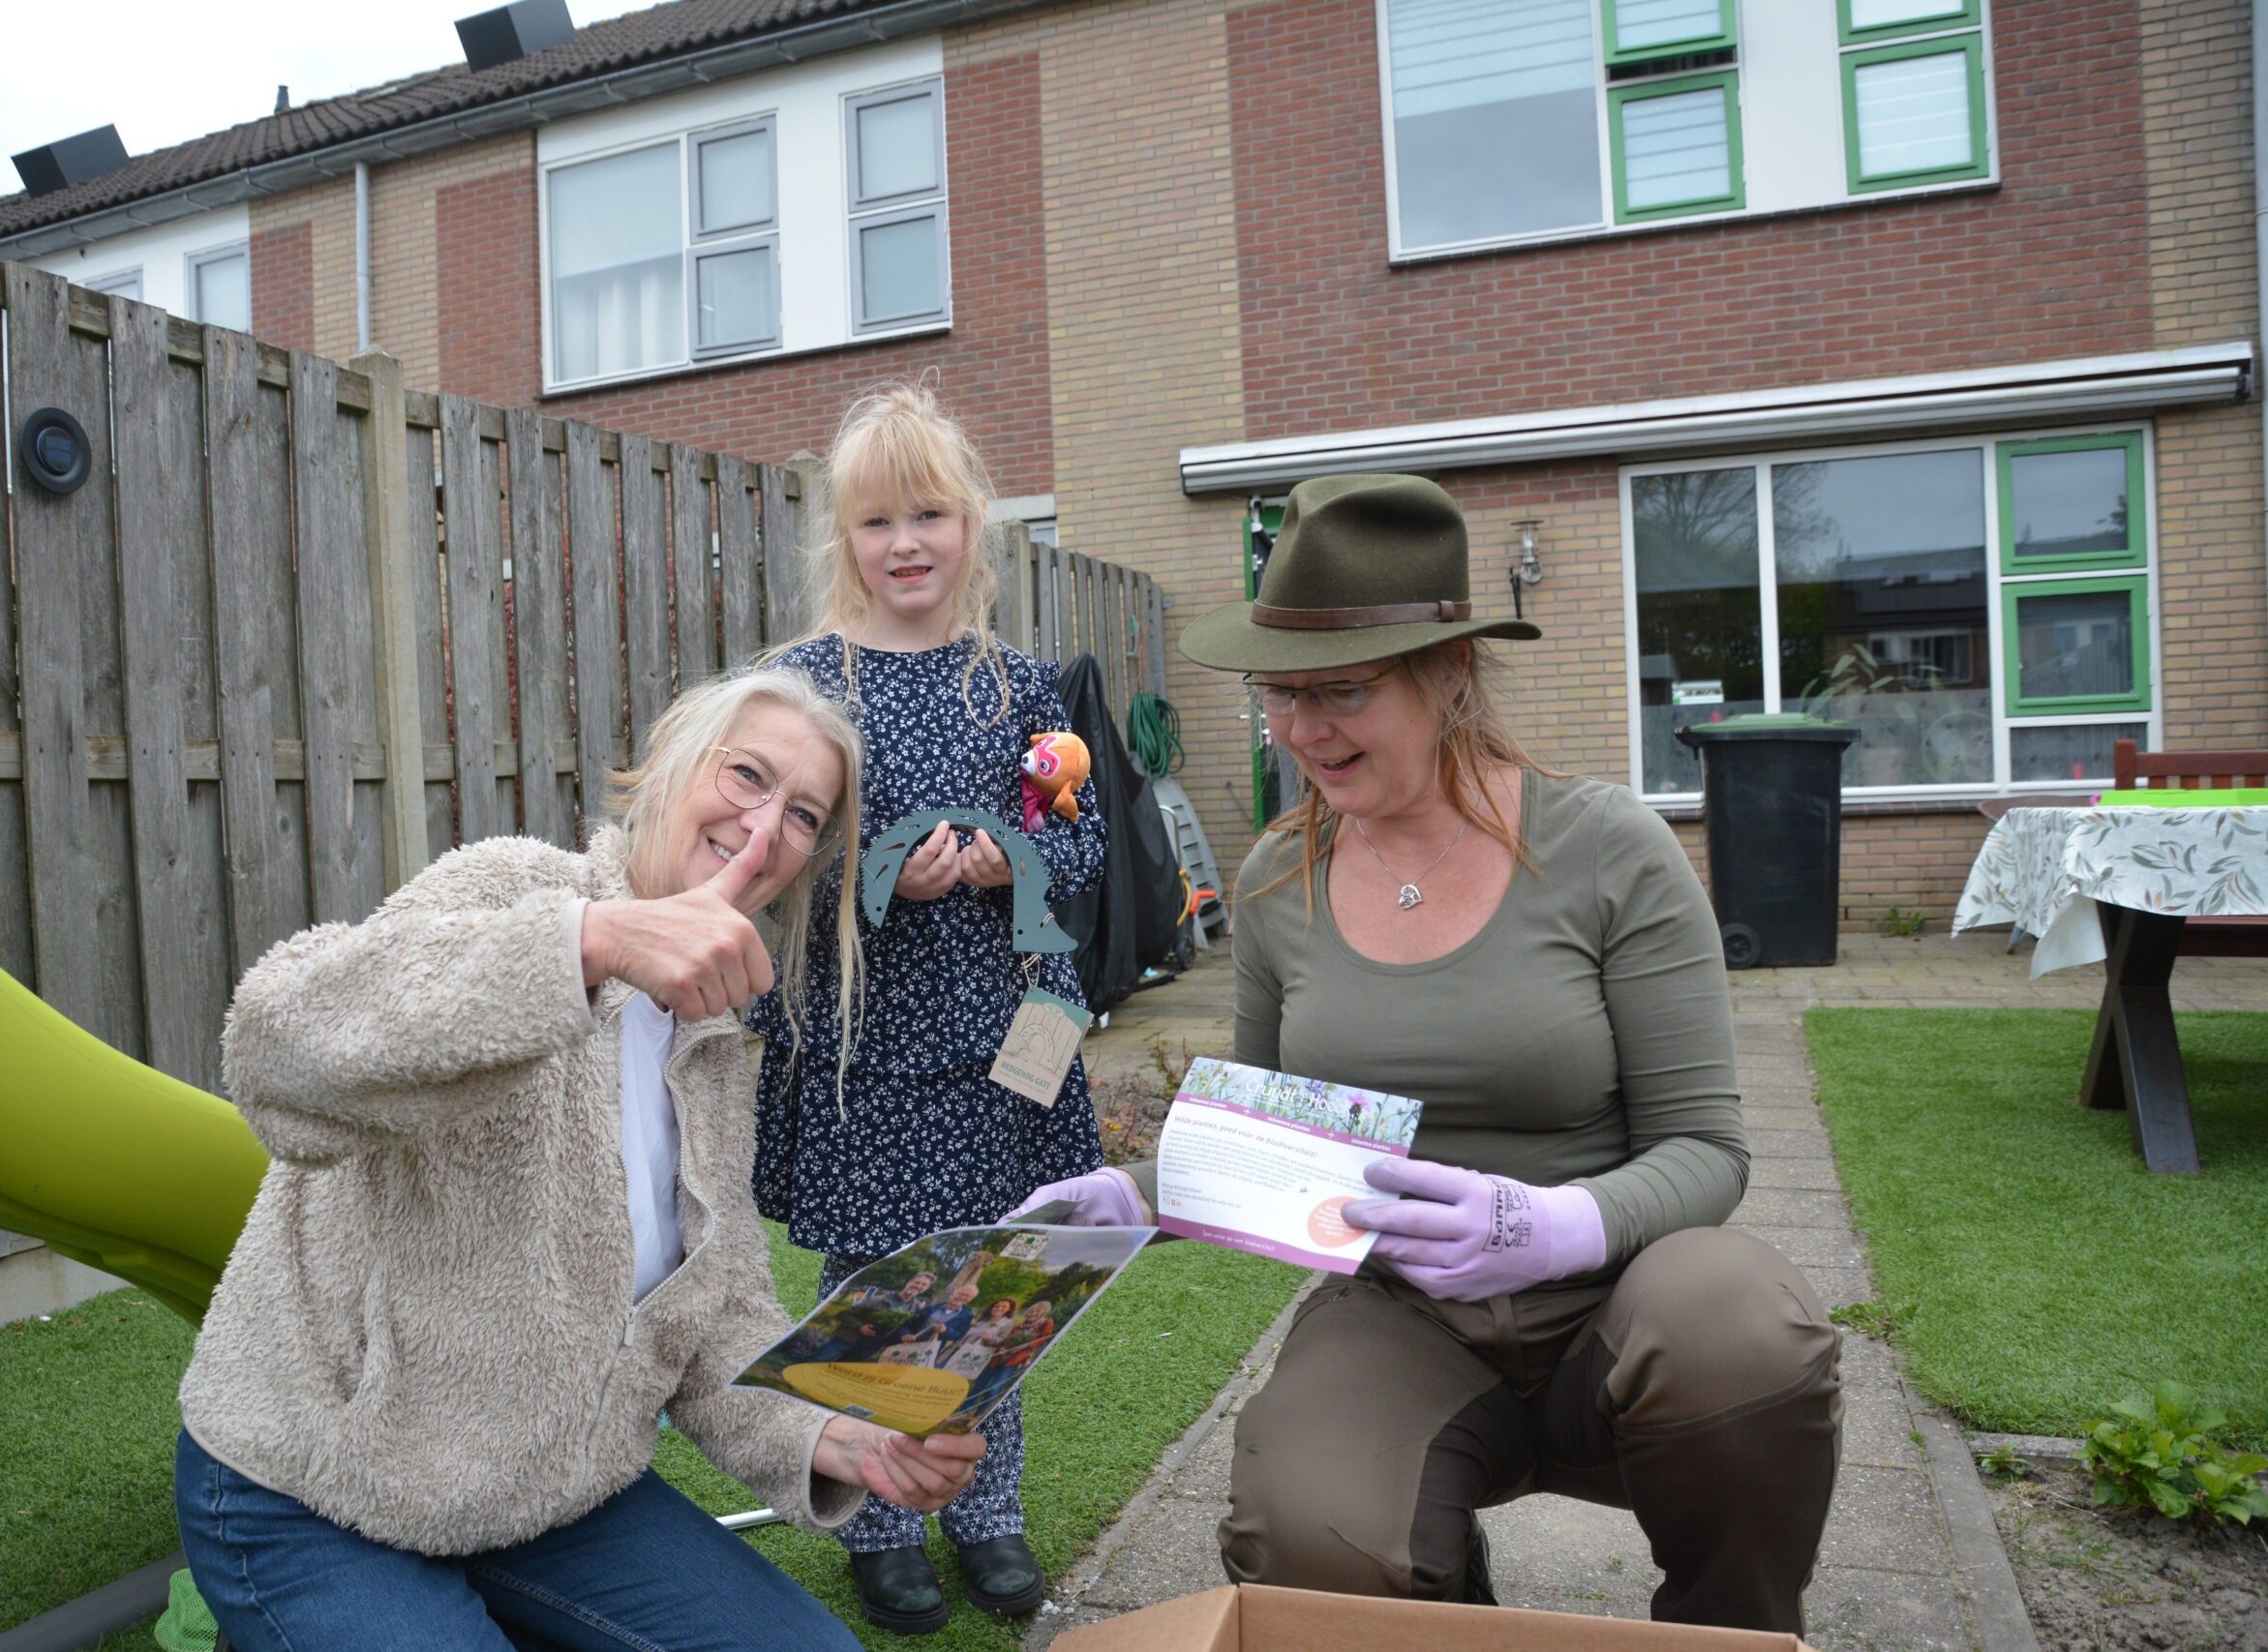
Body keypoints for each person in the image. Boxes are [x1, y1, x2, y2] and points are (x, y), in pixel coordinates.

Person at [1013, 474, 1842, 1635]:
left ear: (1448, 672)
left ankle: (1728, 1630)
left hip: (1620, 1296)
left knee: (1743, 1326)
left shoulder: (1607, 851)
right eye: (1278, 695)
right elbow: (1270, 1143)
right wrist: (1127, 1197)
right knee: (1310, 1524)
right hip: (1404, 1314)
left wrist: (1551, 1227)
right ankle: (1436, 1601)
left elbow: (1706, 1148)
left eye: (1340, 692)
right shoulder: (1276, 876)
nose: (1301, 732)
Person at [174, 669, 986, 1652]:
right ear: (666, 771)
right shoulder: (518, 891)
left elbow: (715, 1306)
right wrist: (591, 946)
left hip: (542, 1498)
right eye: (746, 776)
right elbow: (277, 1046)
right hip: (317, 1488)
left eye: (805, 813)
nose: (765, 827)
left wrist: (830, 1434)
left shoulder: (714, 1037)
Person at [748, 382, 1106, 1634]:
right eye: (875, 522)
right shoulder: (803, 686)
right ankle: (884, 1523)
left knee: (996, 1282)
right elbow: (770, 845)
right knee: (877, 1286)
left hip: (1011, 1041)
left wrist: (1009, 854)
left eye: (931, 516)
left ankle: (986, 1511)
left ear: (974, 530)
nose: (905, 542)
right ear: (839, 542)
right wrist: (891, 862)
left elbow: (1086, 834)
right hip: (869, 1044)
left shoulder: (1015, 686)